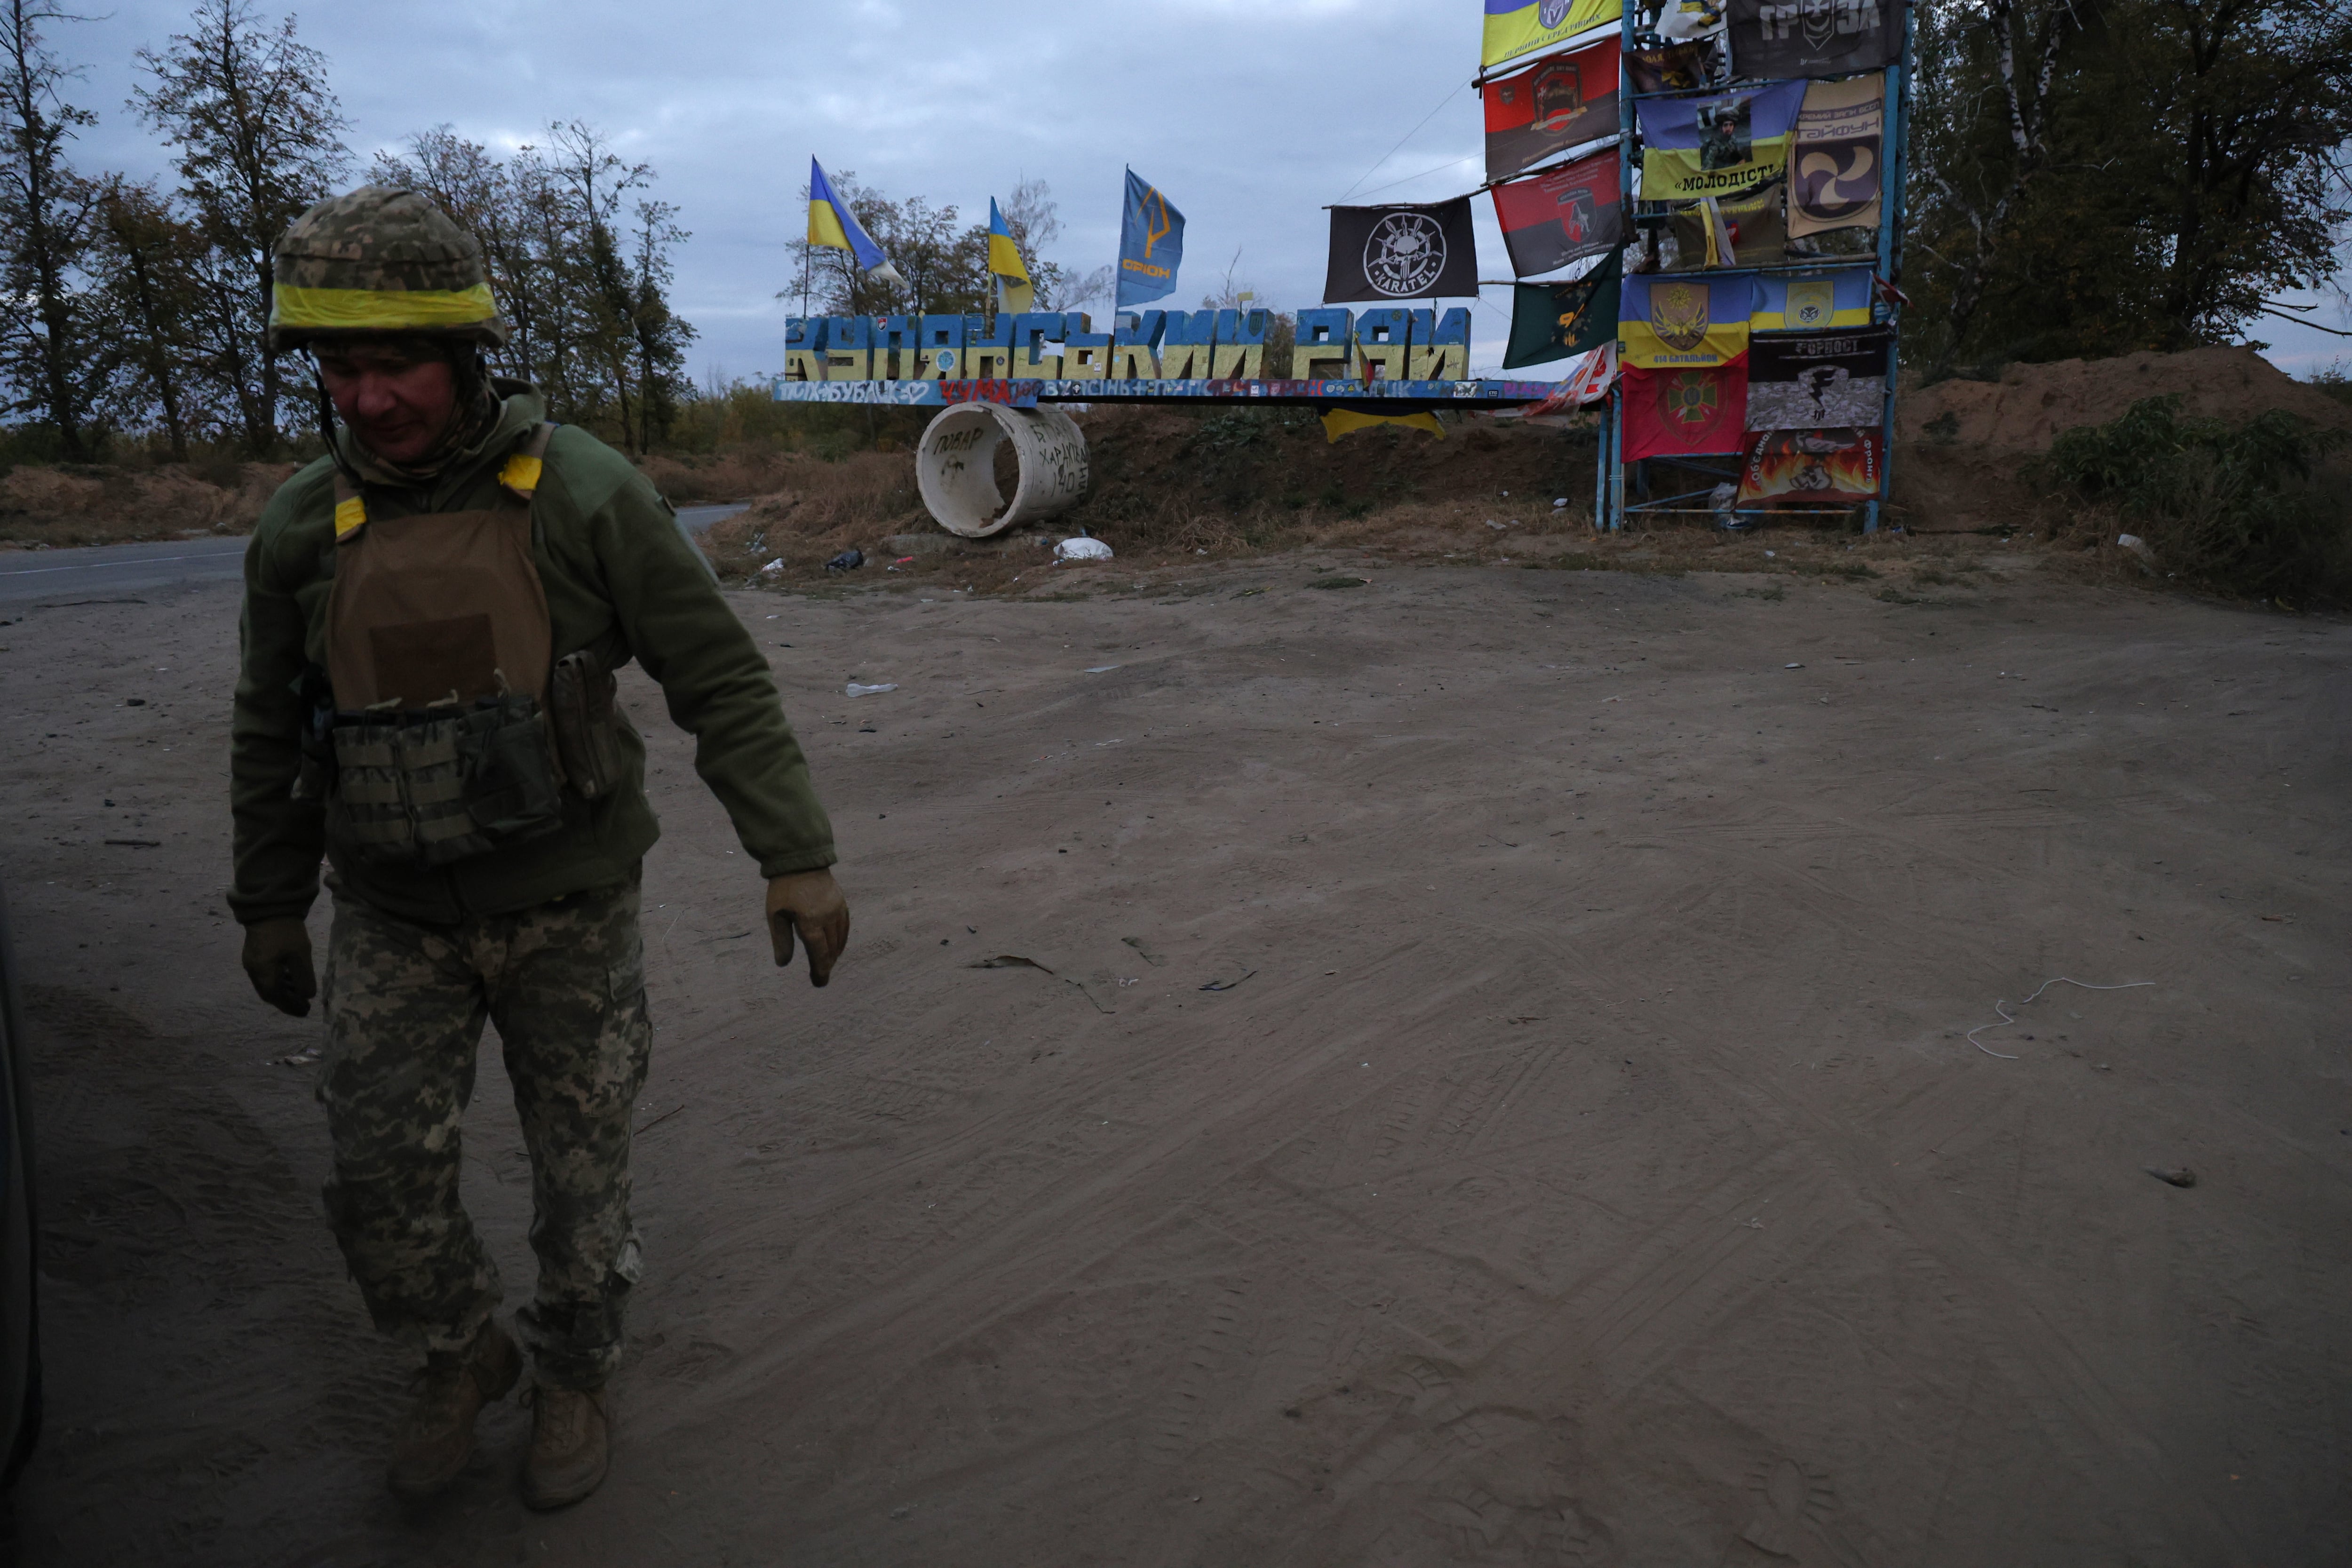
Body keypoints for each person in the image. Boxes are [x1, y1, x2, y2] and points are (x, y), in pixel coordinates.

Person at [228, 186, 850, 1511]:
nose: (369, 398)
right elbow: (273, 728)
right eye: (342, 369)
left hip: (567, 904)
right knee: (379, 1174)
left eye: (395, 364)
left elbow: (718, 679)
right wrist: (272, 903)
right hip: (393, 914)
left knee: (583, 1175)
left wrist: (791, 853)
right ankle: (461, 1356)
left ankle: (574, 1373)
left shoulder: (582, 491)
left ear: (463, 354)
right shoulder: (298, 526)